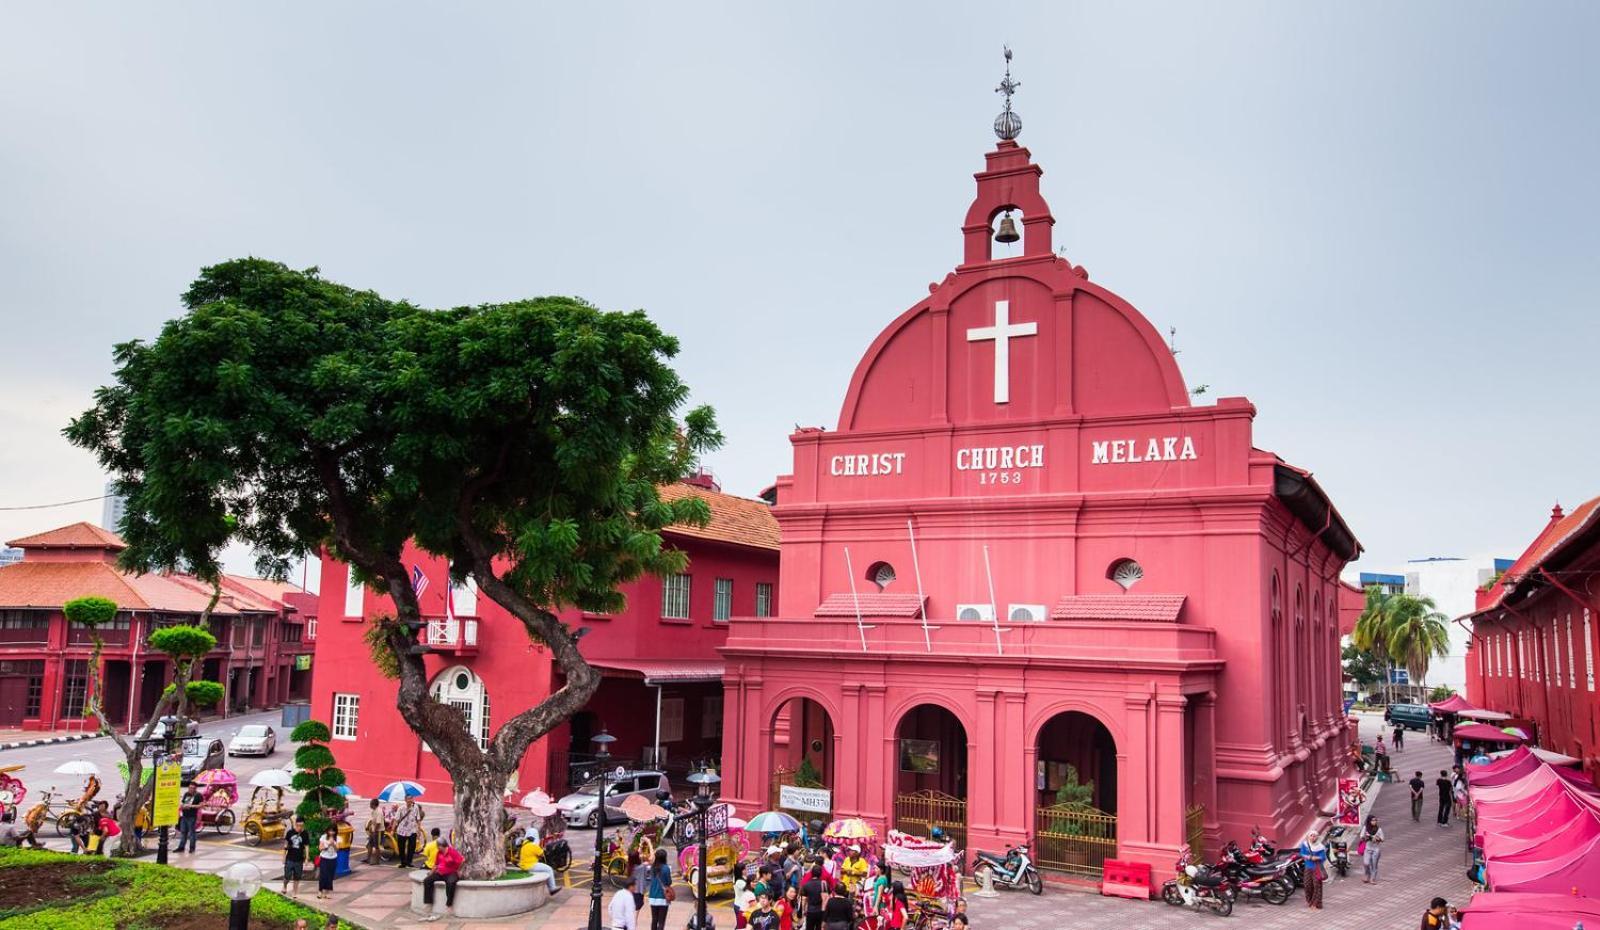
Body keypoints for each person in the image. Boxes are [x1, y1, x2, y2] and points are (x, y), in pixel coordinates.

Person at [421, 835, 465, 921]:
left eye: (438, 846)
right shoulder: (439, 853)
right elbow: (436, 865)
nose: (437, 848)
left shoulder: (452, 852)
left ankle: (449, 905)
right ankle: (428, 903)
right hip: (440, 872)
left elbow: (462, 860)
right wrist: (431, 873)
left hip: (451, 872)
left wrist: (458, 870)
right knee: (427, 881)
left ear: (441, 846)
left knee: (451, 883)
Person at [1297, 829, 1327, 909]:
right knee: (1307, 885)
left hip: (1316, 868)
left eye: (1315, 836)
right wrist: (1308, 857)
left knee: (1317, 885)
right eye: (1311, 836)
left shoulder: (1320, 847)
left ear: (1317, 837)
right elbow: (1301, 853)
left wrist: (1317, 858)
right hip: (1308, 867)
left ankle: (1317, 903)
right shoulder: (1305, 844)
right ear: (1308, 836)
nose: (1313, 837)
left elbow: (1323, 857)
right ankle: (1309, 901)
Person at [283, 817, 313, 896]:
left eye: (302, 826)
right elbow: (285, 844)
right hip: (290, 858)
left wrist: (307, 857)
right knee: (287, 876)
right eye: (298, 825)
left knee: (297, 877)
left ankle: (294, 892)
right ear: (295, 824)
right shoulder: (290, 832)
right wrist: (283, 857)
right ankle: (284, 886)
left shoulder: (305, 834)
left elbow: (306, 846)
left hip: (299, 859)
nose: (300, 827)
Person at [646, 847, 672, 930]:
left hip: (652, 896)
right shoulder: (666, 868)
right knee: (661, 921)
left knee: (654, 920)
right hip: (663, 897)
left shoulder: (652, 867)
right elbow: (669, 882)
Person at [395, 797, 423, 868]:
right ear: (405, 800)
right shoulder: (401, 808)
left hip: (412, 830)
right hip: (402, 830)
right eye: (408, 799)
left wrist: (419, 830)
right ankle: (403, 862)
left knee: (412, 847)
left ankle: (409, 862)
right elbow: (396, 819)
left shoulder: (415, 808)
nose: (410, 800)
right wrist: (393, 829)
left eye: (411, 799)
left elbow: (418, 819)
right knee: (401, 847)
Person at [177, 784, 204, 854]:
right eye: (189, 788)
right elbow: (183, 803)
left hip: (192, 816)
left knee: (192, 833)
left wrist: (191, 806)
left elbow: (201, 805)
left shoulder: (198, 795)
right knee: (183, 832)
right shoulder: (186, 794)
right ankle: (181, 847)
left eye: (192, 788)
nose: (190, 789)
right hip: (184, 815)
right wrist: (182, 806)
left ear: (195, 789)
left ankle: (192, 848)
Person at [316, 825, 340, 900]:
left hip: (333, 858)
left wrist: (333, 844)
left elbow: (337, 849)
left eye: (333, 831)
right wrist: (328, 844)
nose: (331, 832)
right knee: (323, 875)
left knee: (330, 875)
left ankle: (327, 892)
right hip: (324, 858)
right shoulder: (323, 837)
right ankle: (320, 891)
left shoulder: (337, 838)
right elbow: (320, 848)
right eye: (330, 831)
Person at [800, 866, 827, 930]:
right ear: (820, 874)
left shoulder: (806, 885)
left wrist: (803, 911)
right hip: (820, 911)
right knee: (819, 927)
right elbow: (826, 899)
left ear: (811, 873)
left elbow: (804, 899)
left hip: (810, 910)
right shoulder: (824, 884)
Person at [1360, 815, 1384, 884]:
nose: (1374, 822)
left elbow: (1382, 839)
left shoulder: (1379, 829)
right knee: (1366, 863)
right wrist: (1367, 838)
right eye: (1373, 820)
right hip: (1367, 849)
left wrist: (1377, 838)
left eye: (1375, 820)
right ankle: (1367, 874)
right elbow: (1361, 837)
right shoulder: (1365, 828)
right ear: (1369, 821)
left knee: (1374, 864)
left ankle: (1372, 878)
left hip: (1376, 850)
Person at [364, 798, 384, 865]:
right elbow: (373, 821)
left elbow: (378, 823)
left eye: (370, 804)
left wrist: (374, 831)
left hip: (378, 831)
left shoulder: (379, 811)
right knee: (369, 844)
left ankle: (377, 861)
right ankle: (368, 859)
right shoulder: (373, 811)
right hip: (373, 830)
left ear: (373, 804)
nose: (370, 805)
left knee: (377, 846)